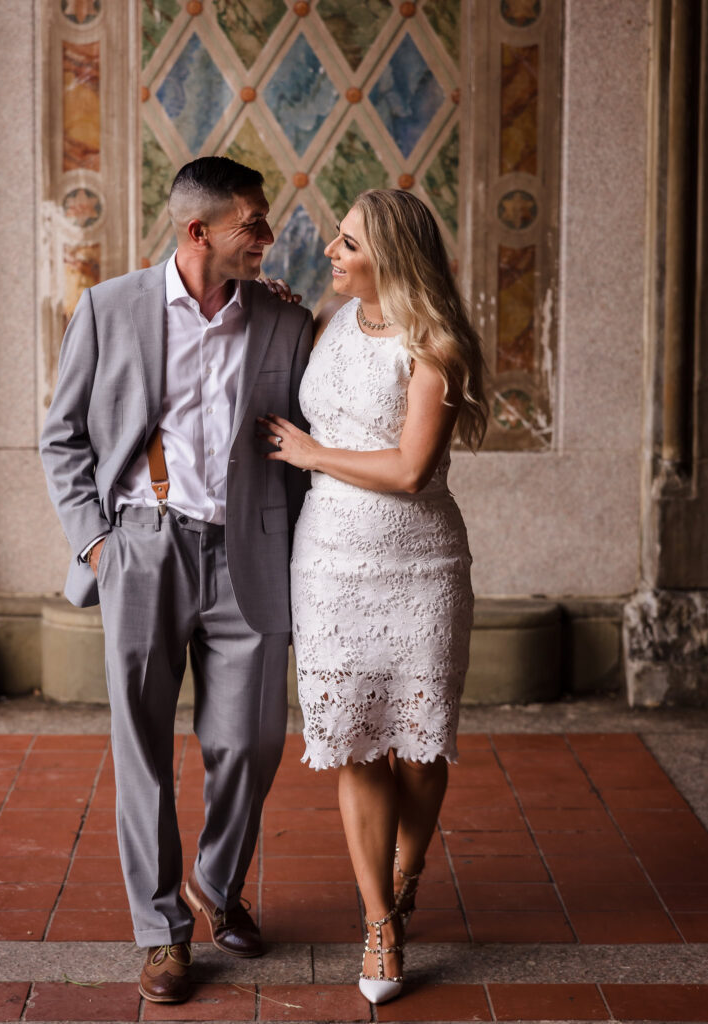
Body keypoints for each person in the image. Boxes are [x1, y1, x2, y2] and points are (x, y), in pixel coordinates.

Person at [41, 156, 312, 1004]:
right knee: (143, 752)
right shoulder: (109, 308)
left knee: (251, 742)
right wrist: (96, 544)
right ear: (199, 232)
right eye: (252, 227)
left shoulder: (281, 317)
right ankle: (162, 933)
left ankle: (215, 885)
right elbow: (62, 438)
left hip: (250, 557)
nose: (267, 239)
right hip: (144, 551)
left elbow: (304, 437)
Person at [257, 188, 488, 1005]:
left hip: (419, 564)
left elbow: (408, 470)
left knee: (421, 750)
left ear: (387, 253)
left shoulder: (435, 344)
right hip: (327, 564)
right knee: (353, 743)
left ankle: (406, 866)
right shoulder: (325, 321)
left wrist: (315, 454)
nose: (329, 250)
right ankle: (379, 923)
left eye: (345, 241)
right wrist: (274, 304)